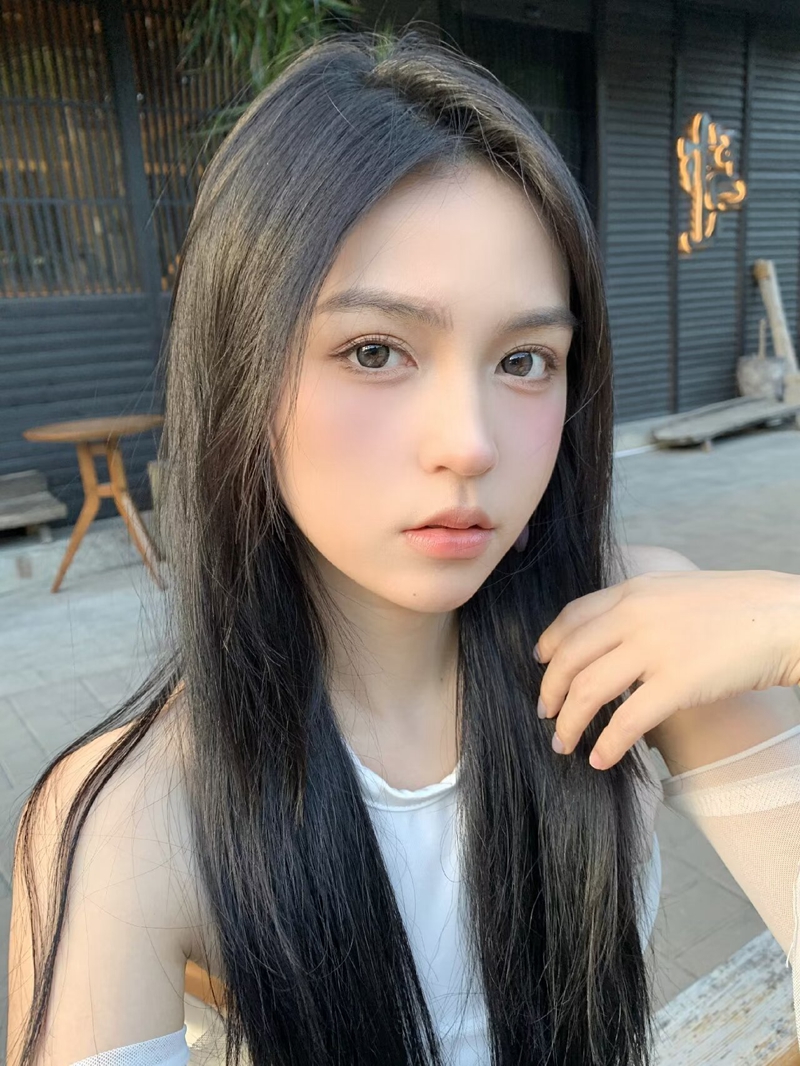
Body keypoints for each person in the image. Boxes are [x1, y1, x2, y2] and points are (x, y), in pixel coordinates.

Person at [6, 27, 800, 1066]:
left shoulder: (636, 644)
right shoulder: (130, 817)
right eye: (375, 350)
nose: (468, 443)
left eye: (525, 359)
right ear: (240, 372)